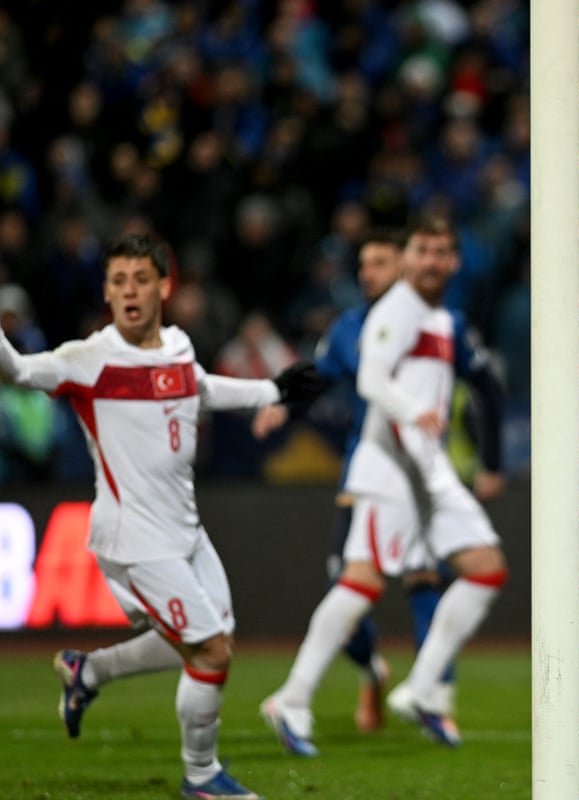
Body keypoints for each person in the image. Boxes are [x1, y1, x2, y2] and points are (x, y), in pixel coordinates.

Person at [0, 233, 323, 800]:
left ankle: (88, 673)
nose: (129, 291)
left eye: (140, 279)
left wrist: (272, 390)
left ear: (164, 287)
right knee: (210, 652)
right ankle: (201, 777)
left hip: (187, 532)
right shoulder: (90, 359)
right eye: (118, 281)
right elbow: (21, 373)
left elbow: (199, 389)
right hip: (134, 538)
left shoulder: (176, 345)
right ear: (106, 290)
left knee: (211, 637)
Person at [261, 216, 507, 755]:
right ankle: (295, 697)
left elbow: (483, 384)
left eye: (442, 252)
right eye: (423, 250)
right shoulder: (393, 312)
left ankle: (423, 689)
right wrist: (413, 411)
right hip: (388, 470)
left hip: (424, 471)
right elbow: (371, 381)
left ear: (454, 261)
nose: (432, 261)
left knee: (484, 569)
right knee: (361, 583)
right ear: (410, 259)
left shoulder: (441, 318)